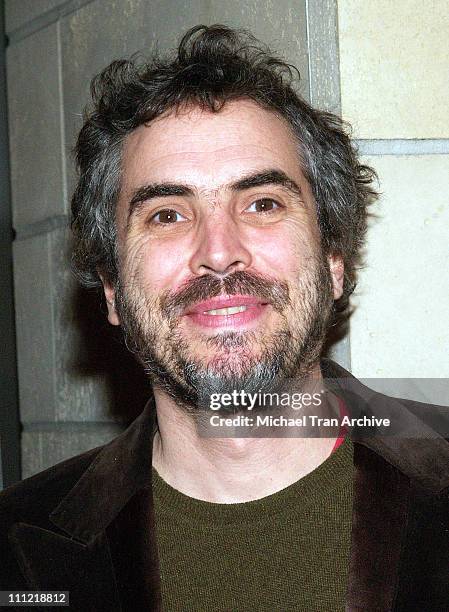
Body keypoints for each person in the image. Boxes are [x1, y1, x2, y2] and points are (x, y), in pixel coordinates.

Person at [0, 25, 448, 612]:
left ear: (334, 260)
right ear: (111, 287)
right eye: (166, 214)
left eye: (262, 204)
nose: (218, 250)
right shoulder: (17, 554)